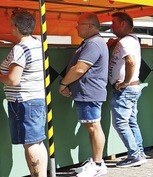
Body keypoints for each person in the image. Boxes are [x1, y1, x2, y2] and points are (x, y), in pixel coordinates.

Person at [59, 13, 108, 176]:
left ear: (90, 26)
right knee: (92, 126)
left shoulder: (93, 43)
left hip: (90, 92)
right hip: (88, 92)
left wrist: (64, 83)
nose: (76, 27)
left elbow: (80, 68)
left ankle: (98, 164)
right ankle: (96, 161)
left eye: (79, 24)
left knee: (93, 126)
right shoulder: (92, 42)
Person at [1, 10, 47, 177]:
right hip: (36, 99)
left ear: (15, 27)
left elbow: (13, 80)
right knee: (37, 143)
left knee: (31, 145)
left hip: (23, 101)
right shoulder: (37, 43)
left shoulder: (20, 48)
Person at [108, 12, 147, 166]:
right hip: (132, 88)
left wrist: (124, 82)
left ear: (123, 23)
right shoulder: (130, 40)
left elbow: (130, 62)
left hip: (126, 89)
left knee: (120, 123)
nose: (111, 26)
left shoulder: (126, 42)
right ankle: (139, 153)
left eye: (114, 23)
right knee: (131, 122)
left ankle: (135, 155)